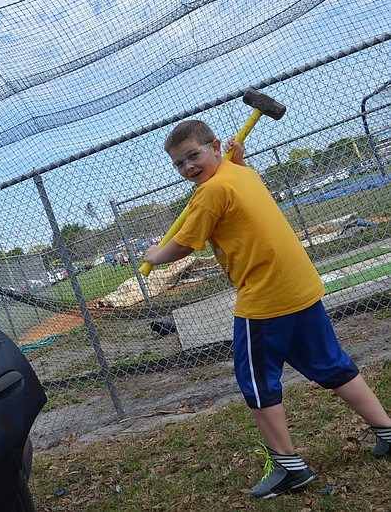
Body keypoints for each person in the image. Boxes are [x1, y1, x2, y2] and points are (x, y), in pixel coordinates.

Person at [143, 119, 391, 499]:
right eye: (179, 163)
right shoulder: (243, 175)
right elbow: (236, 187)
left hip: (266, 297)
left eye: (194, 155)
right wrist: (237, 162)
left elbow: (184, 245)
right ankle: (387, 431)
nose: (188, 167)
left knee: (256, 381)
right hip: (299, 286)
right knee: (331, 364)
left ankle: (290, 468)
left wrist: (156, 255)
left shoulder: (209, 192)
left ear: (213, 147)